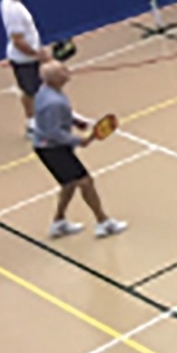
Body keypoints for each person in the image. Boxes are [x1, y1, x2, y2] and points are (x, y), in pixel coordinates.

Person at [32, 62, 127, 240]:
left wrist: (75, 121)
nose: (67, 71)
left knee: (69, 184)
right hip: (52, 149)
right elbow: (52, 133)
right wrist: (79, 141)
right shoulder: (53, 102)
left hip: (50, 146)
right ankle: (103, 222)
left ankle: (58, 223)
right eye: (62, 71)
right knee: (85, 182)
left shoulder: (46, 91)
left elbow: (60, 117)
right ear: (55, 79)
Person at [0, 0, 49, 138]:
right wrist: (37, 54)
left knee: (36, 89)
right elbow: (18, 41)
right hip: (24, 59)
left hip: (29, 57)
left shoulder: (13, 5)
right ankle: (32, 125)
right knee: (30, 91)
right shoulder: (12, 10)